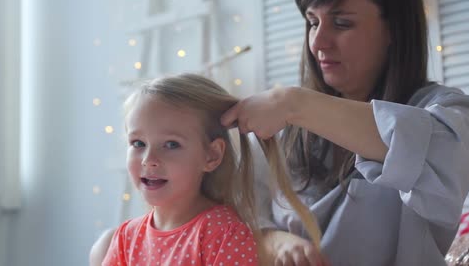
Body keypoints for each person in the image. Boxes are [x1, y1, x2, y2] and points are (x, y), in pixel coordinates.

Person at [220, 0, 469, 266]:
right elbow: (240, 220)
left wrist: (292, 102)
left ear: (393, 29)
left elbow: (415, 147)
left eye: (342, 23)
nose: (317, 42)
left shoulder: (449, 114)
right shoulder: (284, 127)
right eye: (312, 22)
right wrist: (278, 241)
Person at [92, 73, 326, 266]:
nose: (149, 159)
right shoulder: (125, 237)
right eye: (138, 143)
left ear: (212, 155)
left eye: (171, 144)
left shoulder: (224, 234)